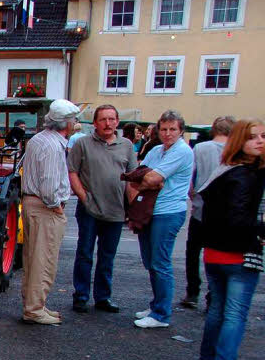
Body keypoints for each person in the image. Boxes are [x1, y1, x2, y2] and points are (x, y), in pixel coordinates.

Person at [195, 119, 265, 360]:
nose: (260, 141)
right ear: (240, 142)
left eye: (263, 136)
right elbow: (239, 219)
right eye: (254, 137)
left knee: (218, 309)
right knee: (233, 314)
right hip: (239, 253)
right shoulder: (247, 175)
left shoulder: (224, 171)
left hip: (215, 252)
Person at [68, 104, 137, 313]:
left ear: (117, 121)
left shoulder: (126, 145)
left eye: (111, 119)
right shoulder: (83, 143)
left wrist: (133, 210)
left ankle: (103, 297)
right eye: (103, 119)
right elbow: (72, 172)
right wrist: (84, 197)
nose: (108, 123)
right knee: (85, 253)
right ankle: (81, 295)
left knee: (107, 256)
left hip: (116, 210)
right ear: (95, 123)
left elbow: (132, 179)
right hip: (90, 209)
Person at [17, 100, 81, 325]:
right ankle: (35, 308)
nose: (75, 123)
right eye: (74, 119)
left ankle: (34, 304)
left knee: (34, 259)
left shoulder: (38, 140)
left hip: (35, 204)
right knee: (43, 260)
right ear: (67, 123)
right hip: (45, 207)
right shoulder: (54, 145)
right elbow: (49, 184)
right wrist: (55, 204)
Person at [132, 110, 194, 328]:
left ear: (181, 131)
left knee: (160, 262)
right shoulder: (157, 150)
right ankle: (157, 304)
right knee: (151, 261)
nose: (168, 134)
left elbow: (151, 177)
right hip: (150, 210)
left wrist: (150, 180)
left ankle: (161, 313)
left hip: (168, 212)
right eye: (164, 129)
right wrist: (147, 180)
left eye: (173, 129)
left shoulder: (183, 151)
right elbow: (138, 175)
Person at [182, 115, 234, 308]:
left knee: (193, 251)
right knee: (217, 253)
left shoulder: (200, 148)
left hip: (200, 208)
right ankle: (214, 294)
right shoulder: (235, 152)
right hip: (224, 213)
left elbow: (191, 178)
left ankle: (192, 291)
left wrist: (194, 195)